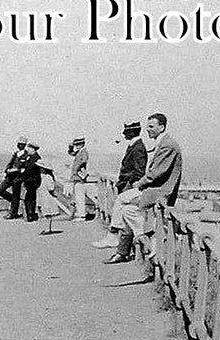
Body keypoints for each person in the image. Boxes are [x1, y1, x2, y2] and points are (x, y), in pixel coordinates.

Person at [122, 113, 184, 265]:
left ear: (161, 127)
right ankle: (147, 240)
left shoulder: (168, 145)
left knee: (126, 206)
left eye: (151, 126)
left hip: (161, 191)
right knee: (128, 207)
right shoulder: (163, 142)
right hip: (158, 189)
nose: (147, 130)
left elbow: (156, 172)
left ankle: (142, 237)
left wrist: (140, 183)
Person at [95, 121, 149, 258]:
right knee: (123, 215)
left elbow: (139, 172)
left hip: (129, 185)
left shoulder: (137, 147)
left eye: (126, 132)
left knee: (124, 214)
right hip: (126, 184)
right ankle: (122, 249)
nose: (124, 134)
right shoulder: (134, 146)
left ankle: (119, 247)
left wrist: (128, 183)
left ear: (132, 132)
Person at [0, 136, 28, 219]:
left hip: (18, 178)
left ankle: (13, 213)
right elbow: (9, 164)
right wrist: (7, 170)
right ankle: (14, 202)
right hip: (9, 177)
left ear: (24, 145)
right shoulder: (15, 153)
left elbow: (24, 168)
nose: (19, 145)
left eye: (21, 144)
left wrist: (16, 170)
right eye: (18, 144)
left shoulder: (26, 155)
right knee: (0, 190)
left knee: (16, 195)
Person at [68, 137, 91, 221]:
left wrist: (77, 168)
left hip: (79, 177)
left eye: (77, 145)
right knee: (78, 197)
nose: (76, 146)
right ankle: (80, 214)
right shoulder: (80, 151)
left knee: (80, 197)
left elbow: (84, 161)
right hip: (77, 177)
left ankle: (82, 215)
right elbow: (71, 153)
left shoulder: (83, 151)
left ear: (81, 144)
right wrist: (70, 146)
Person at [20, 143, 44, 222]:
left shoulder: (36, 158)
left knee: (29, 198)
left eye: (29, 149)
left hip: (33, 181)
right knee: (31, 198)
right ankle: (31, 215)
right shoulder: (30, 157)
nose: (28, 150)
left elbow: (30, 168)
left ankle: (30, 215)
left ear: (33, 149)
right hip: (30, 181)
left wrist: (24, 170)